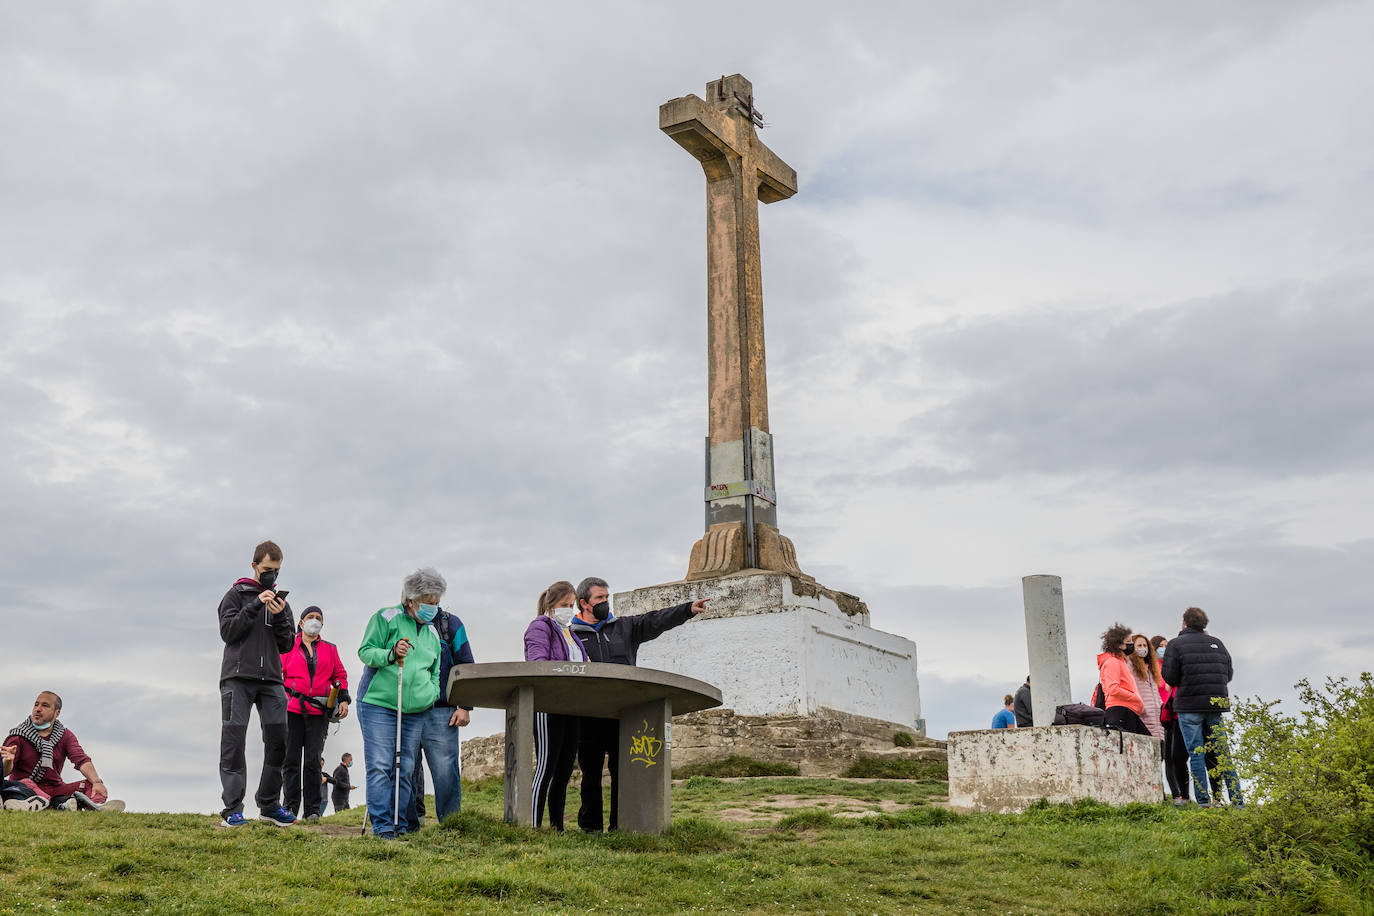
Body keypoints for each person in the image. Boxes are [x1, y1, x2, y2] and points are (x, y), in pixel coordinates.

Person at [569, 576, 709, 833]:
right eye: (599, 598)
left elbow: (655, 620)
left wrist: (687, 609)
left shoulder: (624, 627)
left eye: (606, 598)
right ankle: (591, 829)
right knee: (590, 775)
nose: (605, 603)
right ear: (583, 603)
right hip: (587, 715)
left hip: (623, 714)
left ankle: (620, 825)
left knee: (623, 773)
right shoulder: (570, 636)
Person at [356, 567, 444, 839]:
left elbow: (435, 671)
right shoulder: (386, 618)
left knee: (406, 769)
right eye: (428, 603)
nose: (433, 608)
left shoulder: (432, 634)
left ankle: (400, 825)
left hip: (415, 710)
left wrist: (431, 692)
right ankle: (383, 827)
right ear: (411, 600)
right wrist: (391, 654)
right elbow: (366, 652)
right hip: (379, 704)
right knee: (381, 765)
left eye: (436, 603)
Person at [216, 539, 297, 827]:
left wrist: (279, 618)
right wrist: (253, 605)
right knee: (233, 743)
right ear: (254, 566)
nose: (271, 576)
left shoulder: (281, 603)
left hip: (273, 680)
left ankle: (269, 804)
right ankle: (233, 809)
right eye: (266, 569)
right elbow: (228, 631)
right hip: (237, 678)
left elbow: (287, 645)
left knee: (279, 741)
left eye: (276, 570)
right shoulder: (236, 594)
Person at [405, 593, 475, 832]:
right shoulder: (401, 624)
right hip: (406, 710)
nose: (430, 605)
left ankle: (451, 825)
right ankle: (409, 824)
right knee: (406, 770)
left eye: (434, 599)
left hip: (442, 711)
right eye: (425, 599)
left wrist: (465, 706)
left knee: (446, 772)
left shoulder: (451, 624)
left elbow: (465, 664)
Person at [1160, 607, 1243, 808]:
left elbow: (1169, 676)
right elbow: (1228, 674)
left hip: (1189, 706)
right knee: (1223, 754)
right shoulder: (1218, 643)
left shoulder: (1176, 644)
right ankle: (1237, 800)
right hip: (1216, 705)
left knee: (1196, 754)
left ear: (1184, 622)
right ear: (1204, 623)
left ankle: (1204, 801)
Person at [524, 580, 587, 830]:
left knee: (564, 770)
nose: (568, 610)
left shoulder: (570, 633)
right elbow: (537, 661)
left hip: (571, 705)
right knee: (546, 767)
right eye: (564, 605)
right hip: (547, 705)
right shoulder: (541, 627)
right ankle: (532, 824)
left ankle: (556, 827)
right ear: (551, 604)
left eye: (571, 605)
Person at [280, 606, 351, 823]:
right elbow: (278, 673)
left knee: (312, 762)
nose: (314, 620)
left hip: (318, 712)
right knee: (291, 760)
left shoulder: (330, 649)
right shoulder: (287, 645)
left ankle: (312, 810)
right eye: (310, 617)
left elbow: (340, 675)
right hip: (291, 709)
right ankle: (289, 808)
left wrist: (344, 699)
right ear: (300, 623)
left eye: (318, 618)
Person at [4, 692, 124, 811]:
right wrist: (8, 761)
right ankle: (58, 804)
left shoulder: (65, 735)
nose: (38, 709)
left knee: (91, 784)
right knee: (26, 782)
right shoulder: (18, 736)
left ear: (57, 713)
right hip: (27, 789)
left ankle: (96, 806)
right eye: (36, 705)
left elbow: (81, 759)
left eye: (45, 705)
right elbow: (3, 772)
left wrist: (97, 781)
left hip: (56, 788)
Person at [1152, 635, 1191, 804]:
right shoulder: (1153, 668)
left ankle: (1182, 793)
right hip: (1161, 712)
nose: (1164, 648)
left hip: (1174, 710)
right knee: (1167, 755)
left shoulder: (1171, 666)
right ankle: (1175, 792)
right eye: (1161, 646)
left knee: (1177, 755)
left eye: (1166, 645)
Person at [1096, 623, 1149, 735]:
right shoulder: (1112, 662)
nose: (1132, 644)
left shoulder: (1120, 661)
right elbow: (1112, 689)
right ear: (1119, 645)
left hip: (1128, 710)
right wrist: (1135, 697)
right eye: (1128, 641)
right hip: (1120, 711)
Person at [1128, 633, 1165, 740]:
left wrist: (1161, 707)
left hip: (1157, 717)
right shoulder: (1130, 666)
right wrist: (1141, 708)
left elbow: (1156, 693)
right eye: (1139, 646)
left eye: (1145, 645)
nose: (1143, 648)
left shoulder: (1151, 669)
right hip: (1142, 715)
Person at [2, 743, 48, 811]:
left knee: (22, 786)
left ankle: (18, 802)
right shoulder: (17, 738)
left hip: (4, 785)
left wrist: (8, 760)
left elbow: (4, 773)